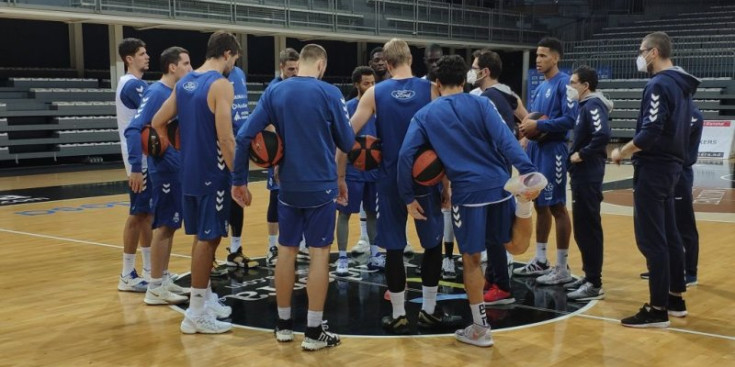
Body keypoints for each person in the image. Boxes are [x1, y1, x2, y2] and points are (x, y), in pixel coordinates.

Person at [398, 54, 541, 347]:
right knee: (514, 245)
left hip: (468, 193)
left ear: (436, 84)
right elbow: (505, 140)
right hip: (500, 185)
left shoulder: (426, 114)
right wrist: (528, 171)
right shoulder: (482, 103)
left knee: (472, 261)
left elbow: (405, 156)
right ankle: (525, 205)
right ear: (465, 81)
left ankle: (479, 328)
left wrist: (408, 196)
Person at [232, 44, 353, 351]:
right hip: (321, 186)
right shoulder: (330, 93)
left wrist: (239, 180)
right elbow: (348, 142)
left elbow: (245, 135)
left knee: (286, 252)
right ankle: (313, 332)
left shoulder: (276, 92)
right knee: (319, 255)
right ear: (321, 64)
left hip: (287, 187)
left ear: (300, 63)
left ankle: (284, 325)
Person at [340, 38, 460, 334]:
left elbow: (346, 138)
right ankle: (430, 311)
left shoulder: (374, 93)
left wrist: (340, 175)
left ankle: (398, 315)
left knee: (393, 248)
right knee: (432, 246)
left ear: (388, 64)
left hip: (390, 180)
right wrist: (447, 183)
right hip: (426, 180)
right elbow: (443, 142)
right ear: (410, 59)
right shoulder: (431, 90)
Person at [152, 31, 244, 334]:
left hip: (188, 173)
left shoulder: (185, 83)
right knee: (208, 240)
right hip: (212, 174)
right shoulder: (221, 85)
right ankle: (195, 314)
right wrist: (238, 179)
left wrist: (178, 151)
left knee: (206, 238)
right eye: (235, 59)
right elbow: (226, 138)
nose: (234, 65)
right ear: (228, 54)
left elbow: (157, 122)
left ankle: (202, 300)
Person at [612, 31, 699, 328]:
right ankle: (675, 298)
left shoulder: (660, 84)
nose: (639, 56)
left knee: (652, 239)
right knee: (671, 234)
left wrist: (622, 151)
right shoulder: (682, 85)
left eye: (641, 51)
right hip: (674, 166)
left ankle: (657, 309)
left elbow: (650, 132)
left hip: (655, 168)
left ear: (653, 52)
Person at [124, 46, 193, 305]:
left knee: (171, 224)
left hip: (176, 167)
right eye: (185, 63)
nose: (190, 68)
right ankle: (154, 286)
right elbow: (133, 130)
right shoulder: (156, 93)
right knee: (165, 224)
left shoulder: (175, 93)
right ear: (172, 67)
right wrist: (135, 167)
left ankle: (162, 278)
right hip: (163, 168)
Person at [469, 48, 530, 304]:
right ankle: (494, 278)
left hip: (492, 169)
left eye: (474, 67)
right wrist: (523, 139)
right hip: (501, 167)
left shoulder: (488, 97)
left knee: (493, 232)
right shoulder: (508, 93)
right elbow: (528, 120)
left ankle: (501, 285)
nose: (470, 72)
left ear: (485, 71)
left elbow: (491, 134)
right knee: (494, 230)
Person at [516, 37, 578, 286]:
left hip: (554, 151)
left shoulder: (566, 84)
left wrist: (538, 125)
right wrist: (526, 135)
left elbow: (570, 120)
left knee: (558, 207)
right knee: (540, 204)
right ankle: (541, 259)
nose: (538, 60)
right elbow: (532, 121)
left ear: (556, 57)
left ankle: (562, 266)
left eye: (543, 55)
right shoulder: (541, 87)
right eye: (537, 56)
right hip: (536, 150)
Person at [640, 102, 703, 288]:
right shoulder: (676, 110)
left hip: (680, 173)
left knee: (684, 223)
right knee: (664, 223)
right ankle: (664, 268)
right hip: (666, 171)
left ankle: (690, 272)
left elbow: (673, 141)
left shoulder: (692, 114)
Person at [565, 65, 612, 301]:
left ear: (585, 85)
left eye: (573, 83)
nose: (570, 87)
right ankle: (590, 276)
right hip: (582, 175)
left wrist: (581, 154)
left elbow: (603, 134)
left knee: (588, 228)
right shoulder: (584, 106)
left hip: (589, 174)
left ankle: (594, 283)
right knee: (583, 228)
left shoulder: (593, 104)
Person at [115, 37, 153, 292]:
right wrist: (136, 167)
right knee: (137, 213)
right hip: (138, 161)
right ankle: (127, 272)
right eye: (142, 53)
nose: (147, 56)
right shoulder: (131, 86)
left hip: (146, 159)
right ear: (129, 59)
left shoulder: (137, 84)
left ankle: (151, 269)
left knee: (148, 214)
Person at [335, 66, 379, 275]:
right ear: (356, 85)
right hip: (352, 170)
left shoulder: (381, 107)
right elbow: (340, 139)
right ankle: (342, 258)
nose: (371, 87)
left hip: (374, 170)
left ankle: (375, 254)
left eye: (373, 83)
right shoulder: (348, 107)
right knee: (344, 214)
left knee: (373, 213)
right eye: (366, 83)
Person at [263, 48, 300, 266]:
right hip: (279, 152)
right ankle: (272, 246)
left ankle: (302, 245)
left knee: (300, 198)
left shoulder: (301, 86)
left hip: (300, 152)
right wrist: (276, 158)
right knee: (275, 199)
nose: (294, 72)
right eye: (290, 69)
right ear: (281, 68)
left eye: (297, 68)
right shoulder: (274, 89)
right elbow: (268, 124)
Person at [224, 64, 251, 269]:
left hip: (240, 146)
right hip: (222, 146)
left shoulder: (239, 73)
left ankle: (236, 249)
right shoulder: (214, 77)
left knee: (238, 199)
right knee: (218, 203)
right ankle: (210, 256)